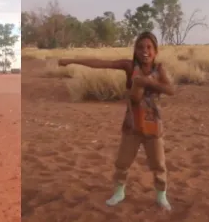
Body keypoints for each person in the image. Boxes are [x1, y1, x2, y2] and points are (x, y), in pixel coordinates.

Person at [58, 31, 175, 211]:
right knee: (122, 162)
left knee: (159, 164)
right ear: (135, 50)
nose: (145, 51)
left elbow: (170, 90)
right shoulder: (129, 67)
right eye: (140, 47)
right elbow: (101, 63)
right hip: (132, 125)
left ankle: (161, 196)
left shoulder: (159, 70)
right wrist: (72, 60)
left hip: (153, 126)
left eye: (149, 47)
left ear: (156, 51)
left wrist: (146, 82)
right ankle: (119, 192)